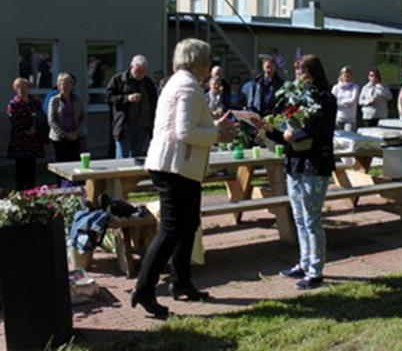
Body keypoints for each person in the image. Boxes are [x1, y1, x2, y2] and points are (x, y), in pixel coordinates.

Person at [132, 38, 233, 317]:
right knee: (171, 230)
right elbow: (185, 133)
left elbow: (184, 128)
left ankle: (182, 282)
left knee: (188, 226)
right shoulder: (188, 86)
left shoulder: (179, 83)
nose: (210, 65)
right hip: (175, 167)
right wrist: (218, 133)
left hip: (178, 166)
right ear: (197, 61)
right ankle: (144, 289)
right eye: (207, 60)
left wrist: (213, 126)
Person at [251, 54, 336, 290]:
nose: (299, 75)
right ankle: (304, 262)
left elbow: (320, 130)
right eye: (297, 71)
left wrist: (295, 135)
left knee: (311, 218)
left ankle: (316, 271)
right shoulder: (295, 100)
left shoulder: (325, 99)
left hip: (315, 163)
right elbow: (284, 133)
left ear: (314, 73)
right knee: (298, 217)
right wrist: (267, 129)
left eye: (303, 71)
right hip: (295, 162)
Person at [106, 55, 158, 159]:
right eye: (137, 71)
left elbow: (154, 102)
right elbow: (109, 97)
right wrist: (127, 98)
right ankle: (120, 175)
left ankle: (135, 176)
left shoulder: (148, 83)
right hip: (124, 127)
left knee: (138, 159)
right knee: (123, 159)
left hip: (143, 127)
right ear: (131, 67)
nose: (140, 75)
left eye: (143, 72)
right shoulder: (118, 80)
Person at [6, 77, 46, 190]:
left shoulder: (35, 103)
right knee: (20, 168)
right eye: (19, 87)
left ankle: (31, 191)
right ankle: (20, 192)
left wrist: (35, 128)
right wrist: (26, 130)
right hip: (20, 140)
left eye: (24, 87)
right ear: (15, 89)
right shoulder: (13, 104)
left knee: (31, 168)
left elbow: (41, 118)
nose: (22, 90)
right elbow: (14, 121)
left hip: (33, 141)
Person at [48, 73, 85, 174]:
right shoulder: (54, 100)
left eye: (69, 83)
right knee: (62, 165)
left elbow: (82, 117)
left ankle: (74, 186)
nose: (66, 86)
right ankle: (62, 186)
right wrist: (65, 134)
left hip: (75, 136)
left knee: (75, 164)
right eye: (63, 83)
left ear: (72, 85)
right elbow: (52, 120)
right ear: (59, 85)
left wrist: (76, 133)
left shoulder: (77, 99)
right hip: (60, 138)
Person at [331, 66, 360, 131]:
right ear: (341, 76)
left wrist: (340, 102)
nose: (347, 78)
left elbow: (353, 100)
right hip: (338, 117)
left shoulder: (355, 87)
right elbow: (333, 101)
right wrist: (345, 103)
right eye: (345, 75)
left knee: (348, 137)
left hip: (350, 118)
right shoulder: (336, 87)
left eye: (348, 76)